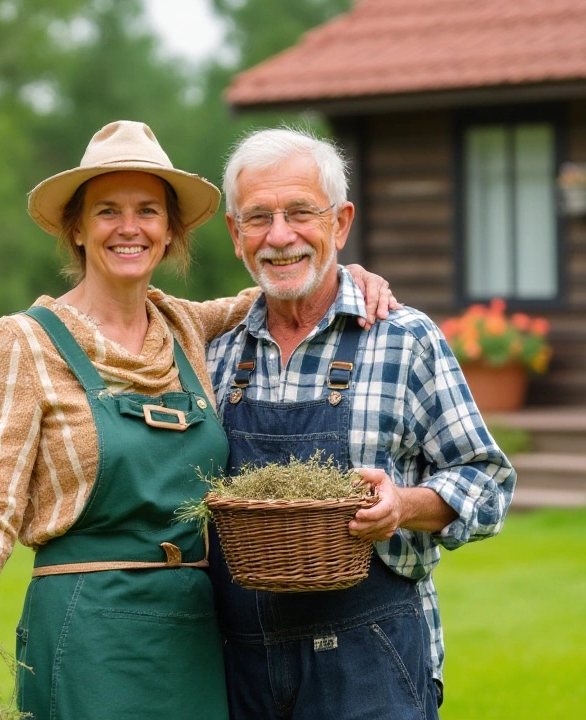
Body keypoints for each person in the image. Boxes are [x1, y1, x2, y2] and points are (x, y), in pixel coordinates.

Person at [0, 120, 397, 720]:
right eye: (107, 211)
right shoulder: (25, 342)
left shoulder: (186, 327)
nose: (130, 228)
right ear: (76, 227)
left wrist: (350, 277)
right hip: (88, 631)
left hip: (194, 632)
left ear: (170, 229)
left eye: (148, 210)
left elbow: (286, 283)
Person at [205, 127, 517, 719]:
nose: (280, 236)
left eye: (301, 213)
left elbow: (488, 483)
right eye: (258, 218)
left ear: (340, 223)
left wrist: (403, 505)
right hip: (236, 664)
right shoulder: (213, 352)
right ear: (234, 233)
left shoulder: (404, 338)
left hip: (368, 661)